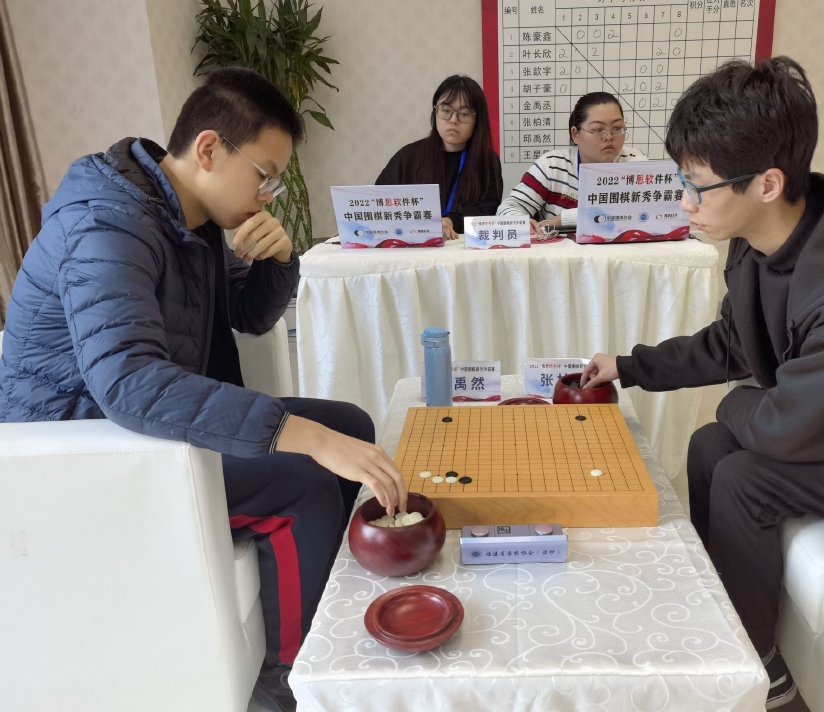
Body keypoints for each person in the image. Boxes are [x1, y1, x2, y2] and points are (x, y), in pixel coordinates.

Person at [0, 68, 407, 712]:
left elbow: (247, 316)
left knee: (349, 424)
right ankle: (287, 683)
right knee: (300, 479)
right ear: (210, 148)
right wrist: (295, 434)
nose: (268, 194)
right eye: (265, 175)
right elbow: (128, 381)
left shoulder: (187, 216)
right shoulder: (108, 224)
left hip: (138, 418)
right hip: (85, 446)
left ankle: (325, 607)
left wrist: (280, 262)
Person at [579, 57, 824, 709]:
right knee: (708, 447)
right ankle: (723, 620)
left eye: (698, 187)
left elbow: (783, 428)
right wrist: (629, 366)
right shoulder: (766, 236)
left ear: (768, 183)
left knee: (743, 475)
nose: (684, 202)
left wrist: (736, 402)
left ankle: (759, 671)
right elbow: (732, 341)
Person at [496, 92, 647, 236]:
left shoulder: (634, 163)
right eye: (597, 130)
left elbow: (634, 212)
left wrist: (559, 221)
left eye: (617, 128)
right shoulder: (552, 166)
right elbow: (508, 209)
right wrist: (522, 223)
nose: (609, 137)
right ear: (575, 134)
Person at [376, 75, 502, 241]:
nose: (453, 120)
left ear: (477, 120)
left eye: (464, 113)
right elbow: (378, 203)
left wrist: (452, 221)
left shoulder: (487, 162)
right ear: (435, 112)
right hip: (414, 246)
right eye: (446, 110)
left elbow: (488, 209)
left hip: (463, 246)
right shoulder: (408, 157)